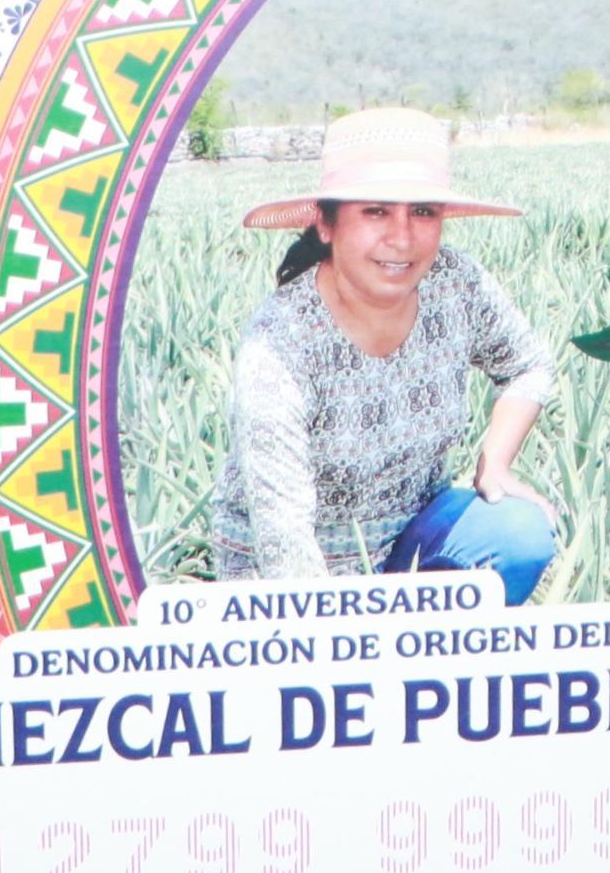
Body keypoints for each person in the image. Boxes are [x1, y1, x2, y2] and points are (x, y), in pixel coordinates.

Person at [211, 107, 559, 602]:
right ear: (326, 224)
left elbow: (528, 365)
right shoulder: (280, 341)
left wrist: (496, 464)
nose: (402, 237)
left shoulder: (455, 284)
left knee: (519, 534)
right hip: (290, 574)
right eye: (375, 211)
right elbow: (284, 538)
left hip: (412, 537)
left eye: (423, 212)